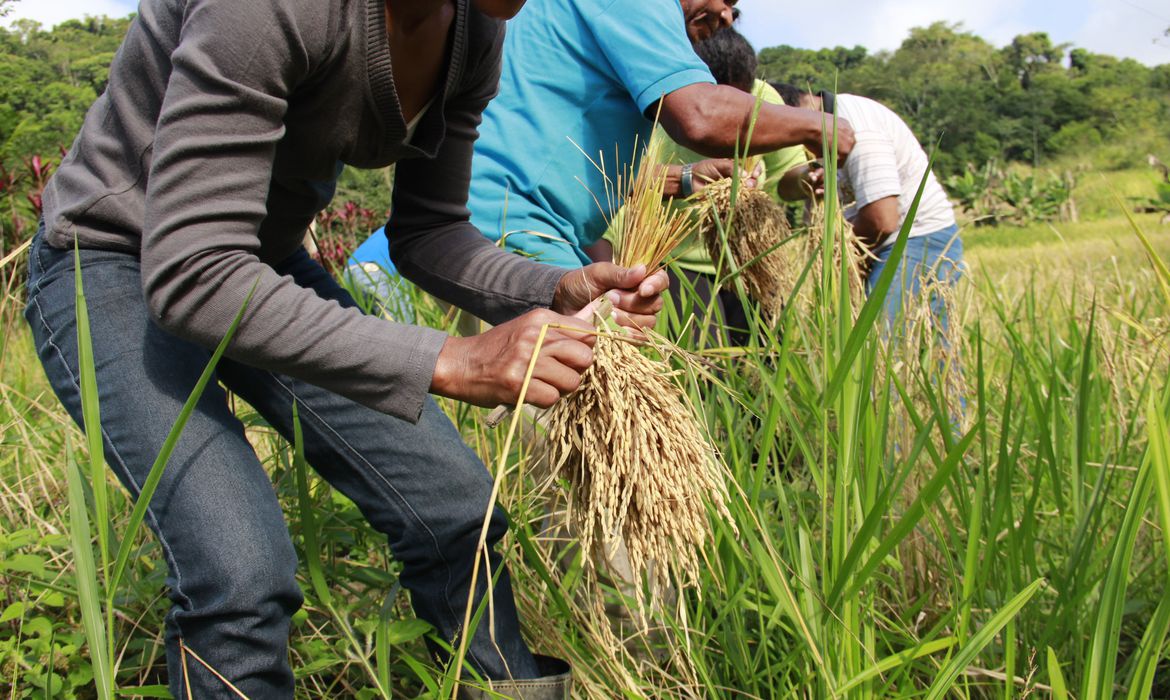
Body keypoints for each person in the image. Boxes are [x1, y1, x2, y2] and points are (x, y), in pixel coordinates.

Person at [24, 0, 668, 697]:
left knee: (456, 508)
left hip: (261, 267)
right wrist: (453, 360)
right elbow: (195, 273)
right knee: (239, 571)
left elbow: (430, 231)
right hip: (116, 260)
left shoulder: (477, 29)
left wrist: (553, 288)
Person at [466, 0, 855, 271]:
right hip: (516, 221)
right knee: (592, 368)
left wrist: (685, 178)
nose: (727, 16)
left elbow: (585, 166)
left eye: (734, 8)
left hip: (510, 219)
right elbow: (701, 117)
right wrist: (816, 124)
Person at [774, 85, 963, 331]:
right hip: (875, 245)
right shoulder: (815, 131)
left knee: (875, 343)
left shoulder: (858, 128)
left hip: (915, 240)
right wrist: (807, 177)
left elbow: (881, 220)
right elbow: (784, 189)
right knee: (920, 352)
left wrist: (834, 254)